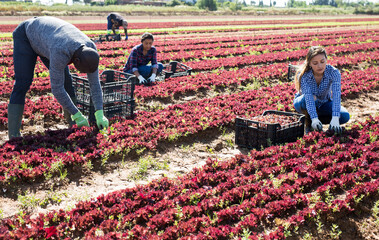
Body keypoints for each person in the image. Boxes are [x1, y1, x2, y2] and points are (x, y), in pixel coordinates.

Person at [8, 16, 109, 140]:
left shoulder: (90, 48)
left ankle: (73, 125)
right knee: (23, 83)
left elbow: (94, 84)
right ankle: (14, 135)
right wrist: (78, 115)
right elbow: (57, 88)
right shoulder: (60, 51)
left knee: (68, 81)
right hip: (27, 36)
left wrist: (100, 112)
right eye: (81, 70)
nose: (83, 73)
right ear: (75, 60)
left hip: (47, 39)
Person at [293, 46, 350, 134]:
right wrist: (314, 118)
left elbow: (336, 95)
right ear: (309, 64)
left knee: (344, 116)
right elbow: (308, 98)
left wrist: (335, 117)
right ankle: (309, 124)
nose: (319, 66)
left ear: (326, 60)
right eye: (315, 63)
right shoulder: (304, 75)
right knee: (311, 98)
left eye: (322, 62)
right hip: (303, 103)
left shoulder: (333, 72)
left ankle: (318, 122)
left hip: (324, 103)